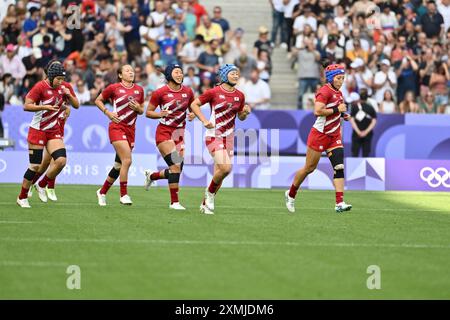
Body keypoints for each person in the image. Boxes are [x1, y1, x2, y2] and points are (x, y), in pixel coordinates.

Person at [285, 64, 352, 214]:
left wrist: (342, 115)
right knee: (309, 168)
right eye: (338, 78)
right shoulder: (324, 91)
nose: (341, 81)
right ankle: (291, 194)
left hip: (334, 136)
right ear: (330, 77)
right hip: (320, 135)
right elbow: (318, 111)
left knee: (339, 167)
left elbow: (335, 110)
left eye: (342, 78)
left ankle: (339, 202)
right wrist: (337, 110)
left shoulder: (338, 93)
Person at [190, 64, 251, 214]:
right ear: (225, 76)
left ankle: (205, 205)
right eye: (232, 73)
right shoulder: (214, 92)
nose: (236, 76)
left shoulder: (240, 95)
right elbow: (194, 104)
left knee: (221, 173)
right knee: (226, 168)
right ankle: (209, 194)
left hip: (229, 137)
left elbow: (241, 117)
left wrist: (245, 113)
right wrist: (204, 121)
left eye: (237, 74)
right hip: (213, 135)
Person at [16, 63, 79, 208]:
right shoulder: (40, 87)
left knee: (61, 161)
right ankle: (22, 197)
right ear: (50, 77)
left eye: (62, 78)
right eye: (58, 79)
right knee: (35, 166)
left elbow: (76, 105)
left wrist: (68, 96)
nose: (60, 82)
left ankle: (42, 184)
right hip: (38, 130)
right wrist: (44, 107)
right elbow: (27, 105)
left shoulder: (64, 87)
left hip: (53, 131)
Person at [143, 64, 195, 210]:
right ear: (169, 75)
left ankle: (152, 176)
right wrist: (160, 114)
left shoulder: (188, 92)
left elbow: (193, 108)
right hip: (164, 133)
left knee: (177, 169)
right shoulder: (160, 92)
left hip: (179, 134)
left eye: (181, 72)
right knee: (176, 166)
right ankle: (174, 202)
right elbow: (148, 112)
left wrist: (192, 114)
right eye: (176, 72)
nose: (180, 74)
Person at [95, 65, 145, 206]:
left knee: (118, 165)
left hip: (131, 130)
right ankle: (123, 195)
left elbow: (141, 110)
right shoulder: (114, 88)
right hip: (117, 127)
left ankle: (102, 191)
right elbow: (98, 100)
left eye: (132, 70)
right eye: (127, 70)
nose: (131, 72)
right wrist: (108, 112)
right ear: (120, 75)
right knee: (127, 160)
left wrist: (138, 108)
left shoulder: (139, 90)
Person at [349, 92, 377, 157]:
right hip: (368, 134)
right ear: (367, 98)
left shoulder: (355, 107)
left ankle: (353, 167)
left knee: (355, 154)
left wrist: (358, 132)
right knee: (366, 154)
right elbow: (374, 121)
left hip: (356, 134)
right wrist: (366, 132)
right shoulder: (371, 108)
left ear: (359, 98)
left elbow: (352, 120)